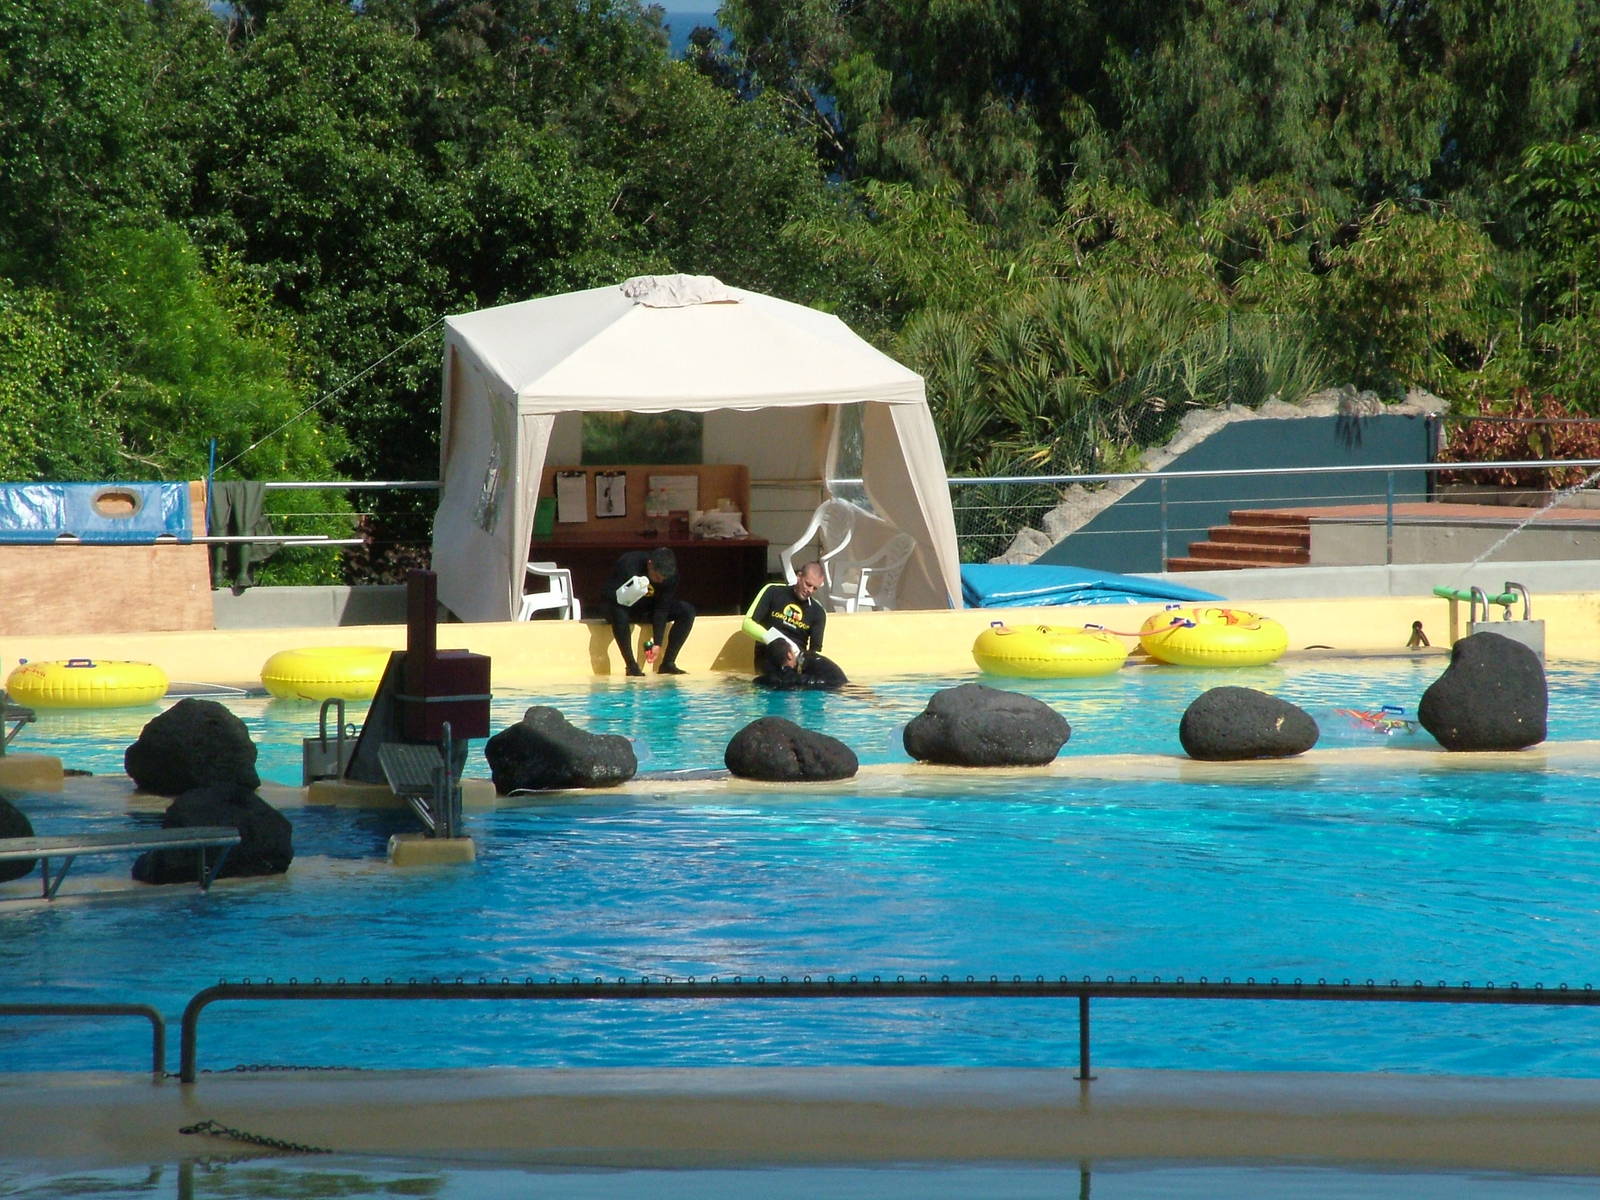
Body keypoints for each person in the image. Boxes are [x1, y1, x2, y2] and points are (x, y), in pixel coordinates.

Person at [742, 560, 845, 685]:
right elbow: (747, 624)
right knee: (775, 682)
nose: (810, 590)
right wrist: (784, 644)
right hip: (768, 656)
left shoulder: (818, 612)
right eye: (808, 584)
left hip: (795, 663)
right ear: (799, 576)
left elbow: (814, 651)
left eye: (815, 588)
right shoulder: (773, 591)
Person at [605, 546, 694, 676]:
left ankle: (668, 663)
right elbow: (608, 594)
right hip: (622, 606)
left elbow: (662, 609)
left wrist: (657, 643)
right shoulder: (630, 563)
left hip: (647, 609)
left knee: (687, 610)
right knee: (619, 611)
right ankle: (631, 666)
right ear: (650, 564)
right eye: (657, 577)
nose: (661, 581)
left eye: (663, 578)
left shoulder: (670, 577)